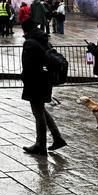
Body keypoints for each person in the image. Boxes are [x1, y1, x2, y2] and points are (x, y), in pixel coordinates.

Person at [20, 22, 66, 155]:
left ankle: (40, 145)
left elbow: (28, 65)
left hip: (35, 81)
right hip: (46, 79)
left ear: (25, 31)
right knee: (42, 111)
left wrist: (24, 76)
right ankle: (57, 138)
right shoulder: (44, 41)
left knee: (38, 113)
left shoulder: (30, 43)